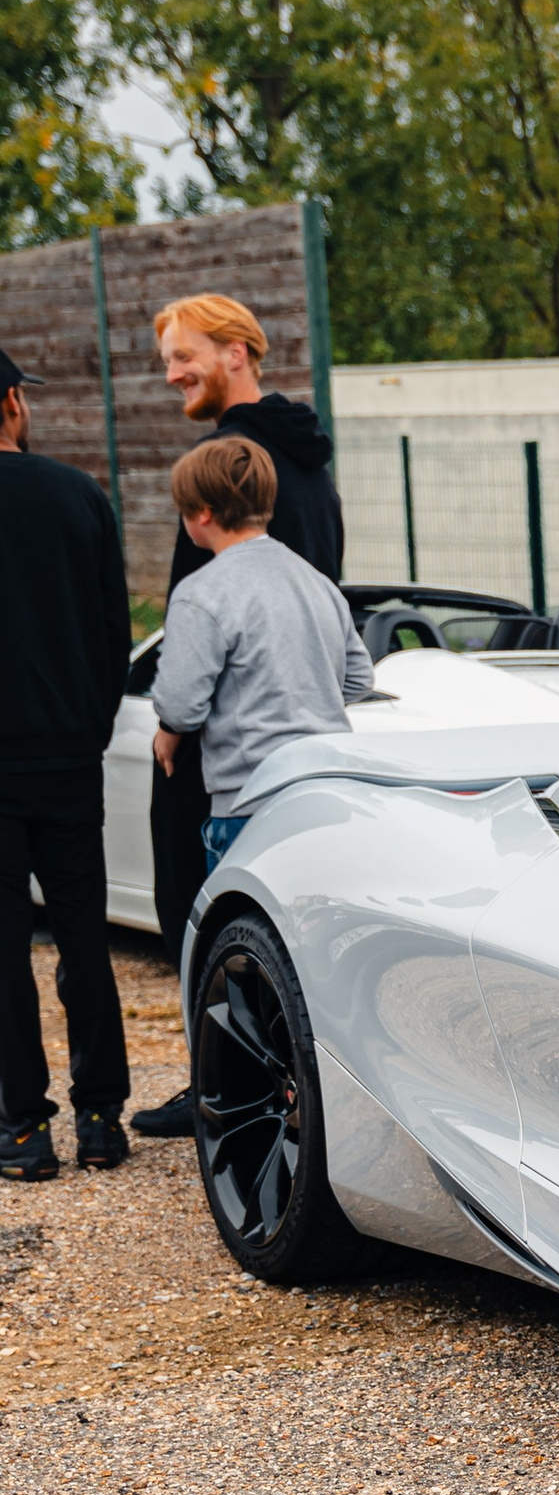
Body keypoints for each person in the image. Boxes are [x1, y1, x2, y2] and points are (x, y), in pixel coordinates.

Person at [137, 294, 346, 1138]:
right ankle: (289, 1086)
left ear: (235, 352)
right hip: (307, 738)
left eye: (183, 356)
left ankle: (224, 1087)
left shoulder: (225, 464)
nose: (172, 375)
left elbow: (201, 623)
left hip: (224, 740)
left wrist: (173, 724)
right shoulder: (308, 460)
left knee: (201, 909)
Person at [0, 347, 134, 1181]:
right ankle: (99, 1118)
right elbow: (115, 630)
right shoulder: (79, 495)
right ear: (12, 402)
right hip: (68, 757)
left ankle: (22, 1128)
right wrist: (90, 723)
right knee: (84, 937)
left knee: (4, 949)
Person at [150, 438, 372, 890]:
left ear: (203, 514)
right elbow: (359, 678)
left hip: (249, 801)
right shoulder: (316, 581)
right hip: (325, 790)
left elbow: (180, 705)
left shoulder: (201, 592)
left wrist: (167, 732)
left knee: (247, 928)